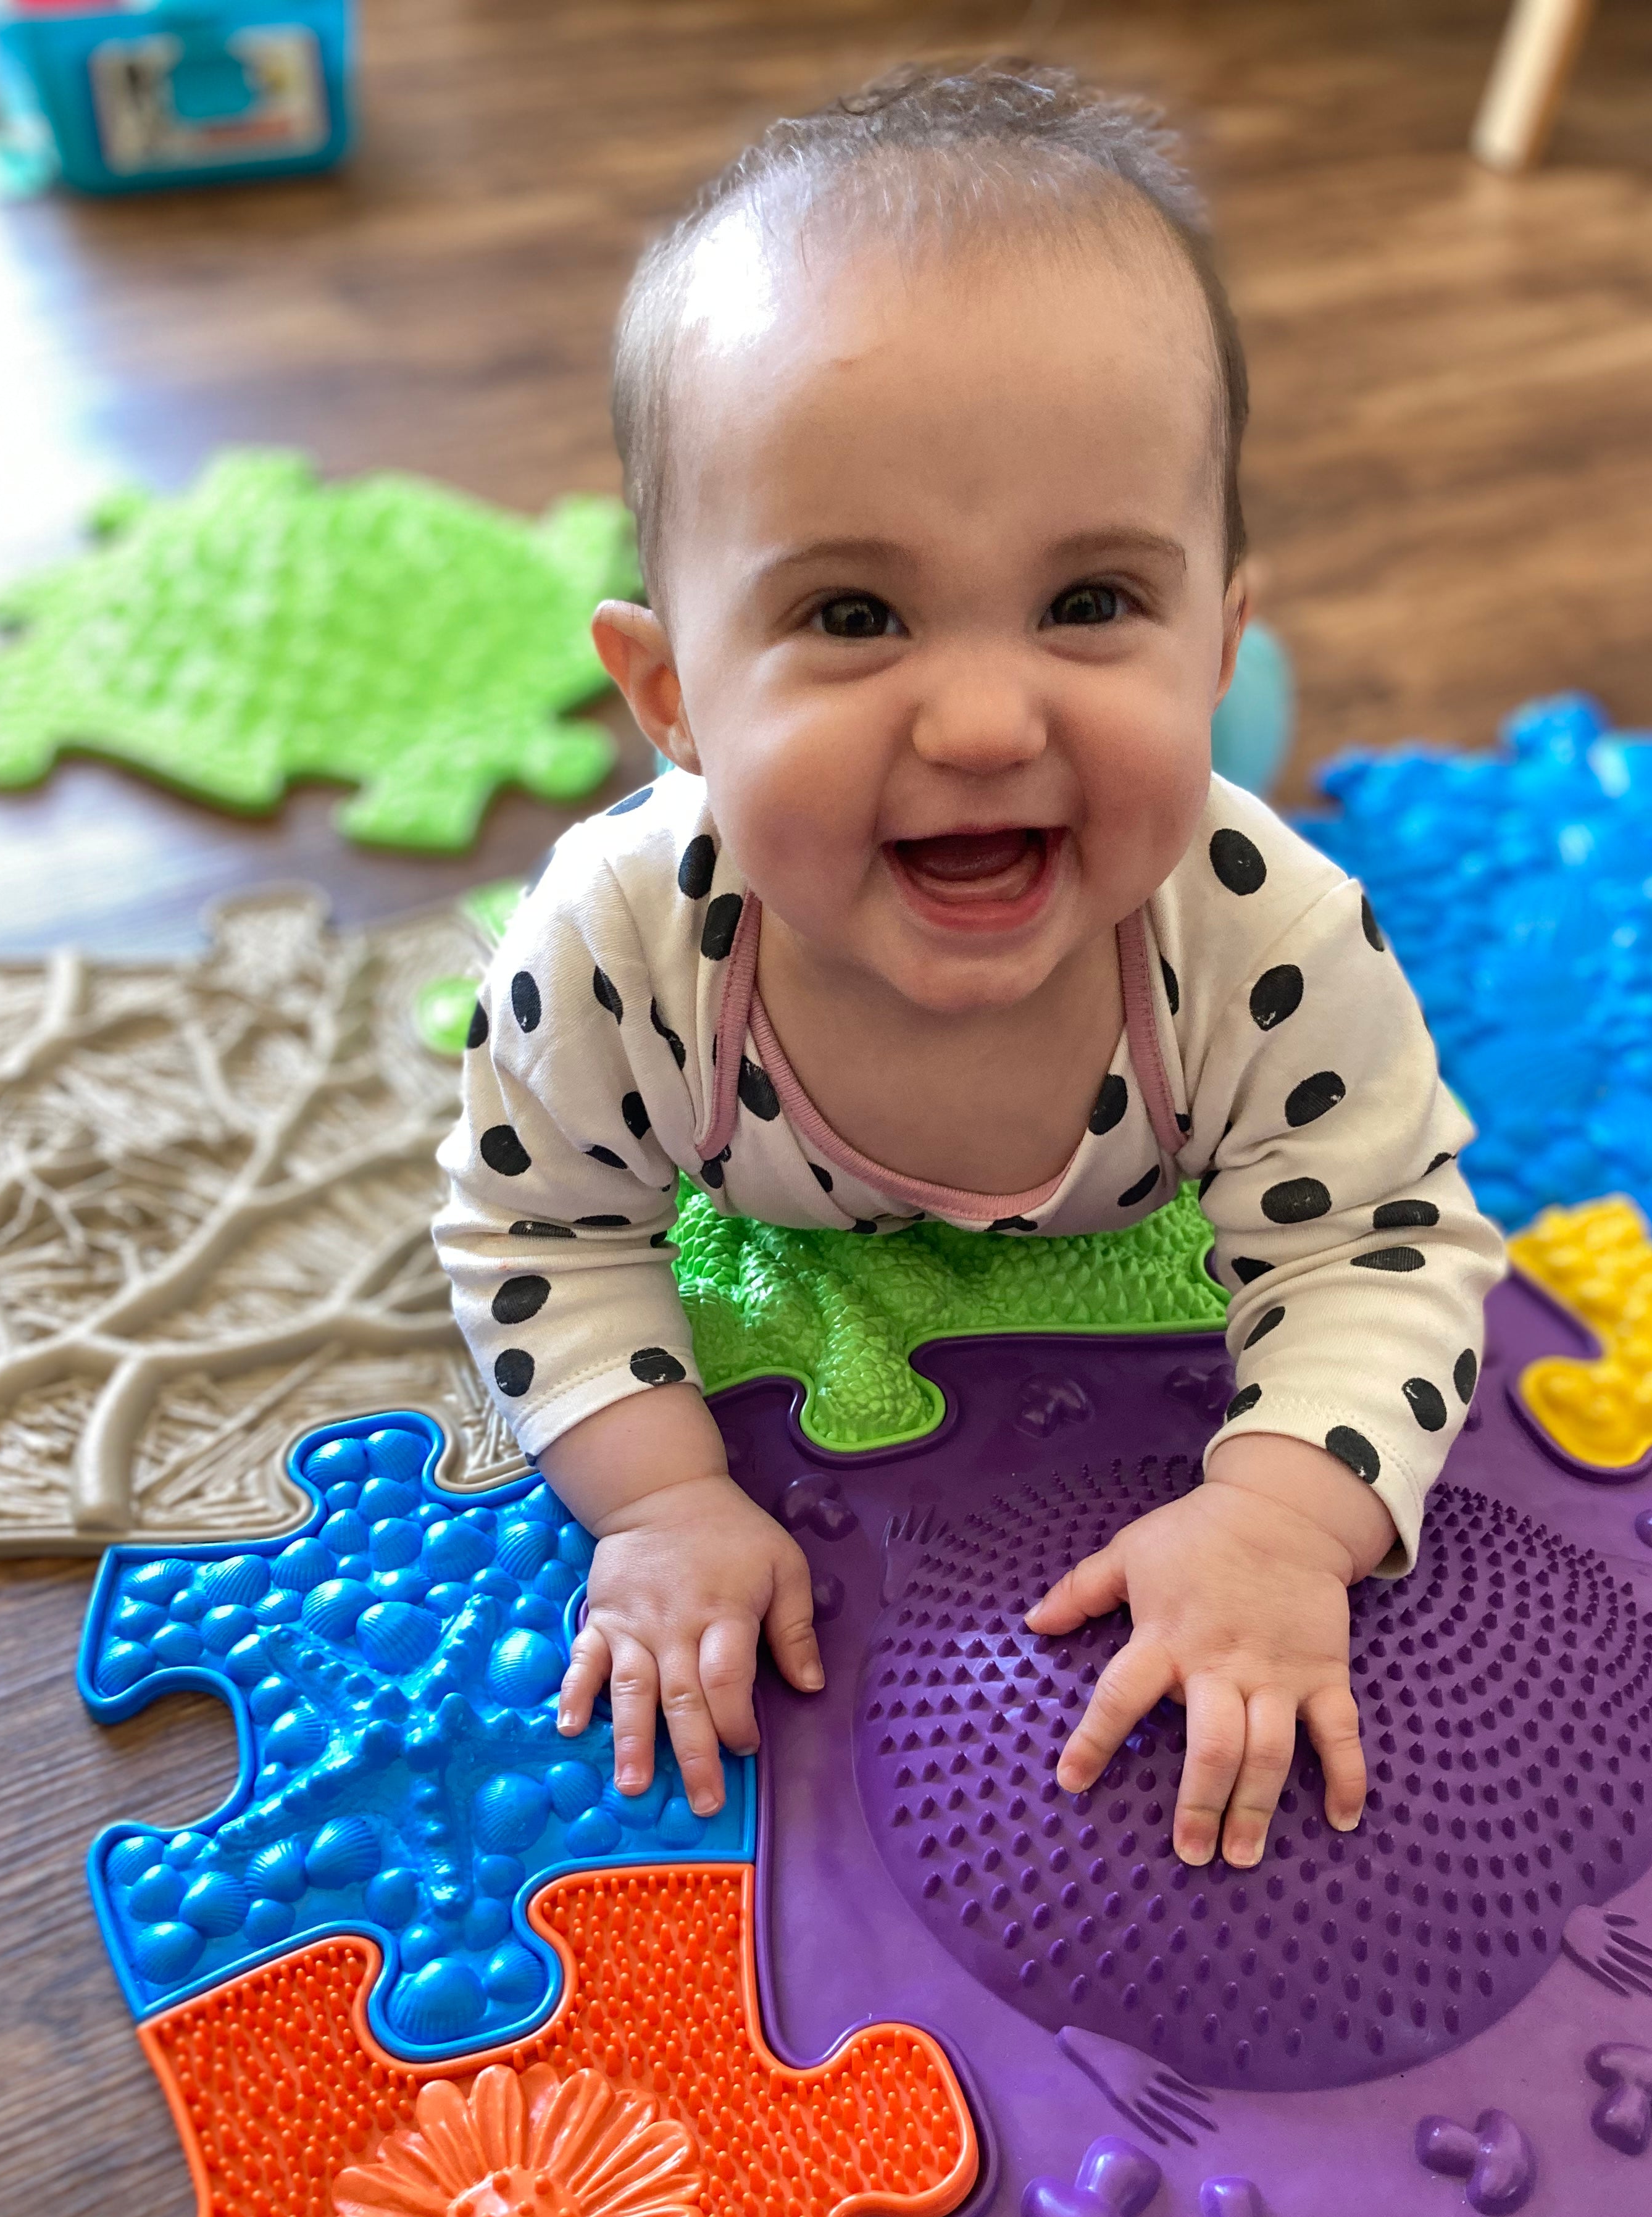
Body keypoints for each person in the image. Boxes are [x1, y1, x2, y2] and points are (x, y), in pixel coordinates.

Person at [433, 59, 1507, 1873]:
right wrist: (664, 1500)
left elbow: (1381, 1241)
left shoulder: (1265, 935)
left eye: (1095, 604)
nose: (993, 719)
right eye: (853, 616)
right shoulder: (615, 942)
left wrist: (1273, 1515)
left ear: (1213, 632)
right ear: (670, 695)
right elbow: (537, 1229)